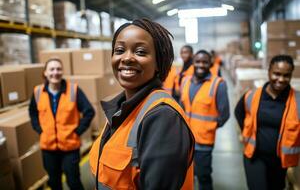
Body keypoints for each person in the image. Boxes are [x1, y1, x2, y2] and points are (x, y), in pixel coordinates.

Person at [89, 18, 194, 190]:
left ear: (158, 63)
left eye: (140, 52)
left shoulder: (162, 118)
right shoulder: (120, 109)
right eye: (120, 50)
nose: (127, 58)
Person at [235, 55, 300, 190]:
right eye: (276, 74)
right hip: (254, 156)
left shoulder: (297, 101)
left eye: (286, 75)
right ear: (269, 71)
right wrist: (246, 133)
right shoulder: (252, 96)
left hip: (280, 161)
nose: (281, 79)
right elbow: (239, 112)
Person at [29, 58, 95, 190]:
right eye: (52, 69)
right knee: (54, 182)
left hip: (70, 146)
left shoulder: (73, 90)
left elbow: (89, 111)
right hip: (48, 147)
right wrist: (39, 130)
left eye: (58, 69)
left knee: (73, 181)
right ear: (45, 73)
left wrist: (77, 131)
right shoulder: (37, 92)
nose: (55, 72)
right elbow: (33, 112)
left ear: (62, 71)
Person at [180, 50, 230, 190]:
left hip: (204, 142)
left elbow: (225, 114)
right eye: (198, 61)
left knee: (203, 176)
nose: (201, 65)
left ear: (210, 64)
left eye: (205, 62)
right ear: (193, 63)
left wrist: (209, 126)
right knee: (186, 175)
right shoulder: (185, 81)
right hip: (185, 140)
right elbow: (181, 106)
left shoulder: (218, 84)